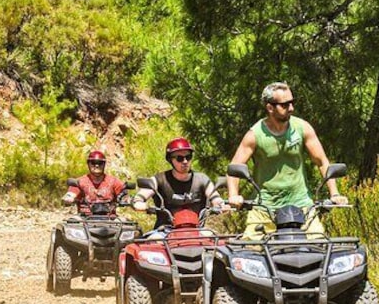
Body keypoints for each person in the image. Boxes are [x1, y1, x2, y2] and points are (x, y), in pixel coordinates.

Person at [227, 81, 348, 240]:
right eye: (285, 105)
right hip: (265, 208)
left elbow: (322, 162)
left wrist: (335, 193)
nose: (291, 108)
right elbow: (234, 168)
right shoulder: (255, 135)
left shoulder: (302, 128)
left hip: (302, 206)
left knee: (320, 246)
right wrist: (233, 195)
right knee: (250, 253)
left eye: (292, 102)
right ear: (270, 108)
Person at [132, 137, 226, 230]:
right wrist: (138, 203)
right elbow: (139, 197)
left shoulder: (202, 179)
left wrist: (221, 205)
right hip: (164, 231)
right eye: (179, 158)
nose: (185, 161)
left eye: (188, 157)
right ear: (170, 160)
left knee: (215, 241)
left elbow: (215, 197)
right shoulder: (159, 179)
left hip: (198, 231)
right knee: (150, 241)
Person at [62, 149, 127, 216]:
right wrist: (69, 198)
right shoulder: (80, 182)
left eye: (100, 163)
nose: (96, 165)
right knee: (67, 224)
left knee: (128, 224)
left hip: (110, 219)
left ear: (104, 164)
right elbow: (71, 193)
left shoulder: (113, 181)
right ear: (88, 164)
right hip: (84, 219)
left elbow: (125, 196)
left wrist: (132, 201)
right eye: (93, 162)